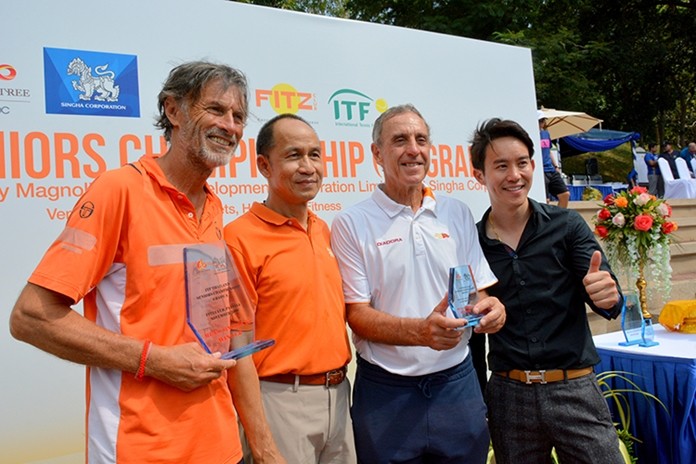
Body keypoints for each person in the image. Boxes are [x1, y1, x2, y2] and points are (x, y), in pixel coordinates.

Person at [9, 61, 282, 463]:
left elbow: (225, 339)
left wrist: (264, 449)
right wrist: (153, 361)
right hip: (139, 450)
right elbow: (31, 316)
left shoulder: (214, 206)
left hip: (221, 447)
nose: (230, 125)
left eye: (238, 116)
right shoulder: (118, 190)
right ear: (173, 110)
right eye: (216, 109)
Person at [331, 104, 506, 464]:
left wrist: (491, 307)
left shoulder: (456, 212)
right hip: (386, 393)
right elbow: (357, 315)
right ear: (377, 153)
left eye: (420, 139)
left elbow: (476, 290)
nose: (413, 149)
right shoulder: (352, 223)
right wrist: (420, 332)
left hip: (457, 385)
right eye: (400, 140)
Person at [469, 118, 625, 464]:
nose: (515, 175)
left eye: (522, 163)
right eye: (501, 166)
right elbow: (473, 335)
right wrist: (478, 400)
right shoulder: (473, 243)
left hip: (575, 389)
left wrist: (608, 297)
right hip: (509, 397)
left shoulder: (566, 226)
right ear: (479, 174)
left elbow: (609, 300)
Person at [224, 114, 356, 464]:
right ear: (264, 165)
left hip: (340, 396)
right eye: (294, 155)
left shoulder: (325, 230)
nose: (308, 166)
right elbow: (237, 353)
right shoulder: (238, 238)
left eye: (315, 155)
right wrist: (264, 445)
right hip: (280, 400)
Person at [538, 117, 570, 208]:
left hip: (550, 169)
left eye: (543, 120)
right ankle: (544, 221)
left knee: (565, 194)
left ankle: (559, 218)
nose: (542, 123)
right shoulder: (531, 134)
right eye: (540, 120)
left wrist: (556, 166)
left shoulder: (546, 133)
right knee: (545, 200)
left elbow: (549, 150)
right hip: (540, 171)